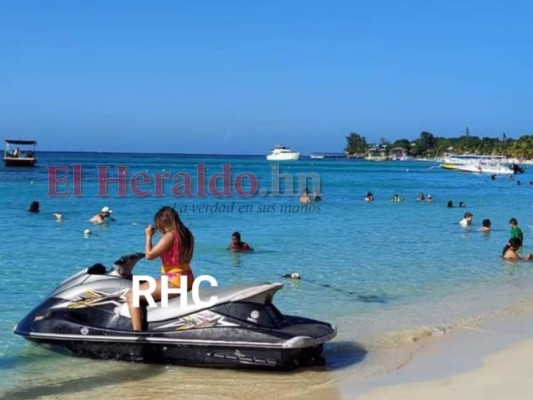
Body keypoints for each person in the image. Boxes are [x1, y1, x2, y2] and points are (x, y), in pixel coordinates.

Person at [127, 206, 195, 331]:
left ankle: (137, 334)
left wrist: (148, 236)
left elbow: (149, 255)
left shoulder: (170, 236)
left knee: (132, 295)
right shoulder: (187, 234)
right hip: (188, 278)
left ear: (162, 222)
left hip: (175, 281)